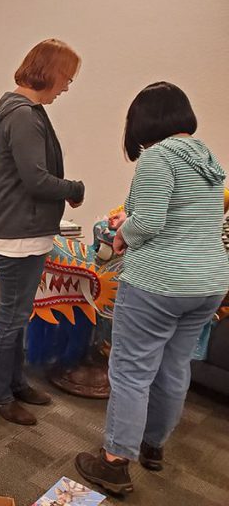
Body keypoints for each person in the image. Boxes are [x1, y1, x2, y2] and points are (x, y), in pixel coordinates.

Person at [75, 82, 229, 495]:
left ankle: (114, 462)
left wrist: (122, 233)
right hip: (209, 283)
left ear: (144, 120)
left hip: (160, 283)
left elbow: (149, 222)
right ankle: (153, 446)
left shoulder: (158, 157)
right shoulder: (209, 158)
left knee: (130, 371)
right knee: (175, 366)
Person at [0, 39, 85, 426]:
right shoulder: (23, 115)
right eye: (67, 78)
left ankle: (13, 381)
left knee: (18, 316)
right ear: (50, 72)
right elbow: (37, 180)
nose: (68, 86)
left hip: (23, 230)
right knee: (11, 316)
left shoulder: (27, 111)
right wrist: (74, 189)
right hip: (16, 233)